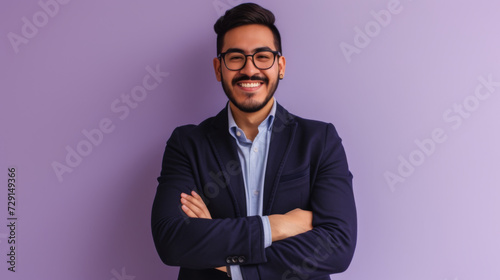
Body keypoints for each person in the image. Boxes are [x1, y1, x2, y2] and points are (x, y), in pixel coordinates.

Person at [151, 3, 357, 279]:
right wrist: (278, 226)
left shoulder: (320, 141)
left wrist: (227, 258)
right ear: (218, 68)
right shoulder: (187, 144)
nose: (249, 70)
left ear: (280, 66)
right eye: (235, 57)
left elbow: (337, 245)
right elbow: (173, 240)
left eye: (262, 56)